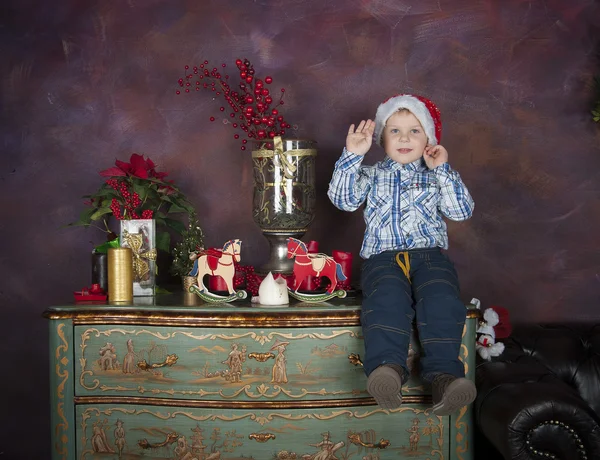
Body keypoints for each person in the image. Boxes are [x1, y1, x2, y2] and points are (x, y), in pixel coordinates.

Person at [327, 94, 476, 415]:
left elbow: (461, 211)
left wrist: (443, 169)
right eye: (395, 131)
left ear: (429, 140)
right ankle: (387, 371)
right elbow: (343, 200)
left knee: (442, 301)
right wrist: (352, 155)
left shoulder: (436, 175)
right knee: (385, 301)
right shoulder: (371, 174)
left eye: (415, 131)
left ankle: (444, 379)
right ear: (380, 137)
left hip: (430, 256)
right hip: (383, 258)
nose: (405, 138)